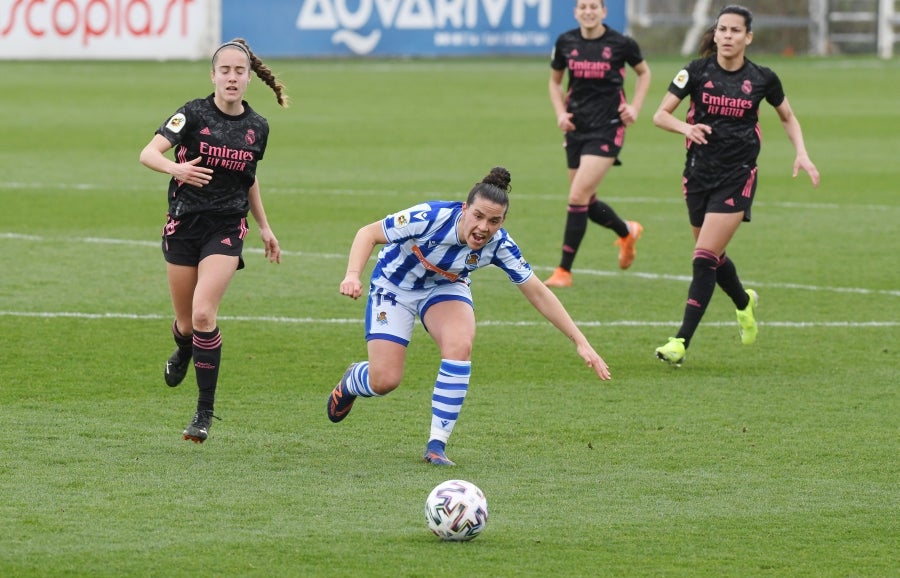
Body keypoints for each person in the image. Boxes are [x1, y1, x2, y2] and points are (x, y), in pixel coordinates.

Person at [327, 167, 612, 466]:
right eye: (478, 216)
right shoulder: (430, 216)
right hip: (394, 287)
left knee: (460, 345)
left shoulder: (500, 245)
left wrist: (580, 341)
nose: (484, 227)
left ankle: (436, 446)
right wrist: (352, 275)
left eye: (494, 221)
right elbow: (368, 233)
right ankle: (352, 381)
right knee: (384, 380)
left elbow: (538, 292)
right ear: (465, 209)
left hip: (445, 287)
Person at [651, 5, 820, 366]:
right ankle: (743, 302)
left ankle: (679, 342)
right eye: (721, 29)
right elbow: (660, 115)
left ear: (748, 37)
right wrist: (686, 128)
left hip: (738, 175)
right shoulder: (695, 72)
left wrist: (801, 153)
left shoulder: (762, 78)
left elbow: (787, 116)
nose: (726, 36)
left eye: (734, 31)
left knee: (703, 258)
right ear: (715, 34)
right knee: (713, 254)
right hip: (697, 174)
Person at [139, 38, 288, 442]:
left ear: (249, 78)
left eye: (240, 71)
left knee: (205, 314)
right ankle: (184, 347)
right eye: (225, 71)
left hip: (226, 227)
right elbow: (147, 154)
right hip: (184, 224)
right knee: (187, 324)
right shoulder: (191, 113)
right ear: (213, 76)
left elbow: (249, 178)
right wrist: (178, 169)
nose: (232, 78)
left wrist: (264, 226)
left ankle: (203, 413)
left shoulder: (259, 127)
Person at [543, 0, 652, 288]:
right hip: (576, 127)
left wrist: (635, 107)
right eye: (583, 6)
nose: (588, 11)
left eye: (594, 6)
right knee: (585, 201)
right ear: (576, 12)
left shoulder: (621, 43)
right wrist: (560, 114)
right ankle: (627, 231)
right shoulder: (565, 42)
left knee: (577, 196)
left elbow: (644, 73)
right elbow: (555, 82)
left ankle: (563, 271)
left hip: (608, 128)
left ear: (603, 12)